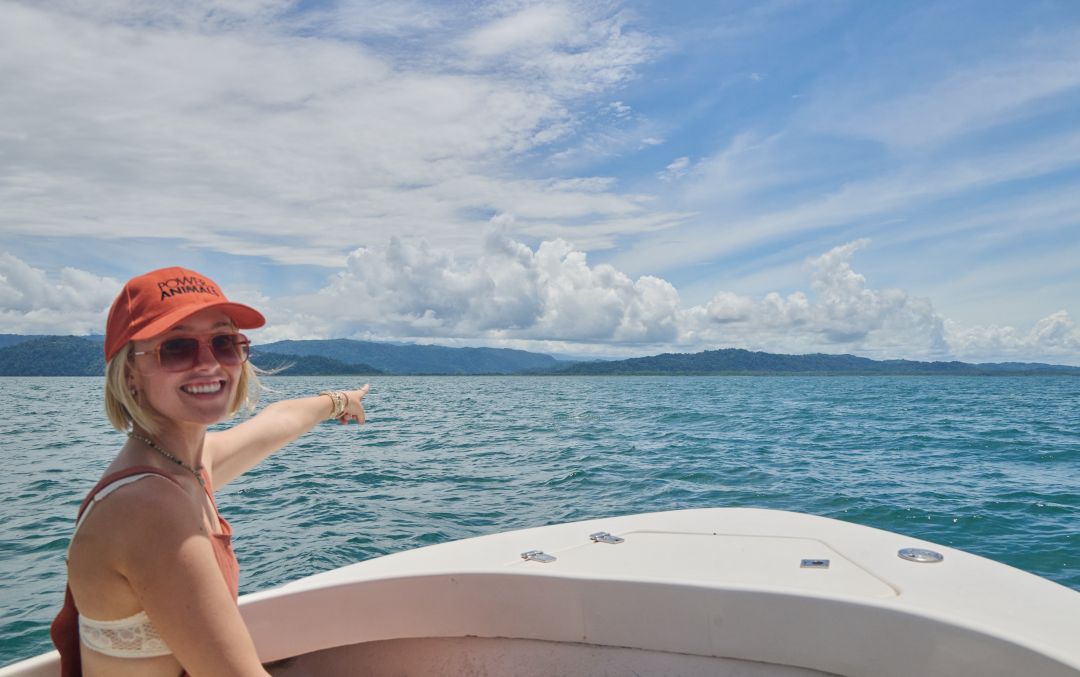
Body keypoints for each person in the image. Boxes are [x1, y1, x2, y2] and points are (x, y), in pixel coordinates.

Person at [50, 266, 369, 677]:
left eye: (224, 343)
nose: (208, 363)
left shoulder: (183, 466)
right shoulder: (149, 508)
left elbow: (278, 421)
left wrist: (341, 401)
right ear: (129, 373)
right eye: (177, 348)